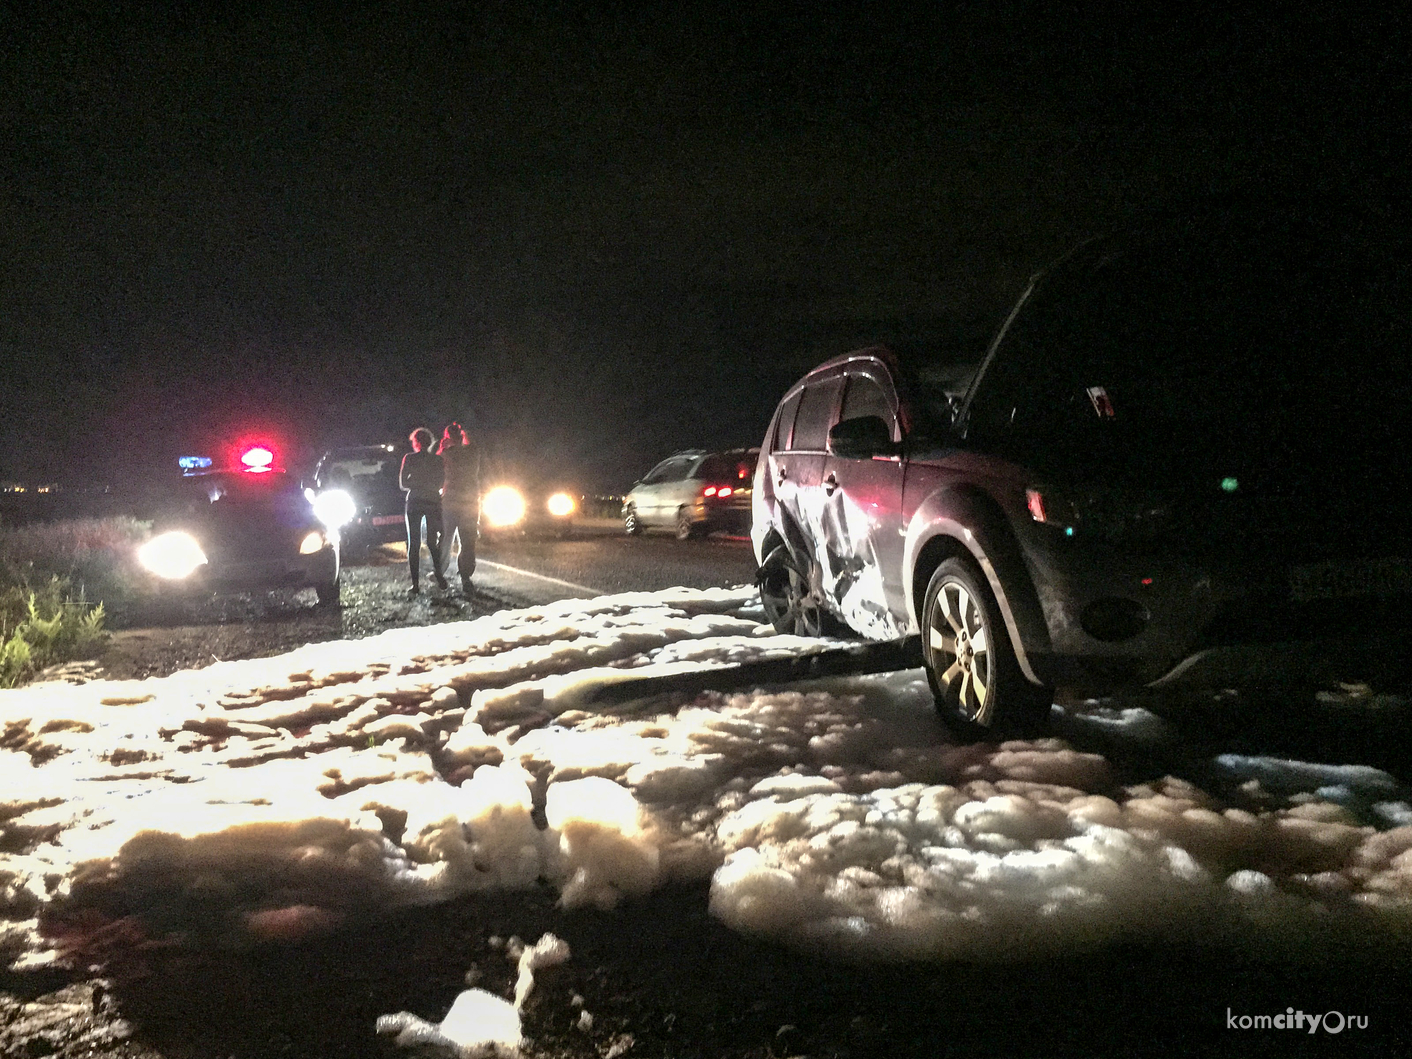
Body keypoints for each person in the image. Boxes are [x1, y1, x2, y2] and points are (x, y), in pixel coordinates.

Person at [399, 427, 448, 593]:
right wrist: (429, 485)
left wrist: (417, 483)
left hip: (414, 501)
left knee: (414, 543)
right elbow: (441, 483)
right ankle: (439, 574)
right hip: (433, 501)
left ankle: (415, 584)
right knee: (432, 542)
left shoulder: (409, 459)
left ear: (416, 442)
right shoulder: (437, 460)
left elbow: (403, 484)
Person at [438, 421, 480, 594]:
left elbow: (439, 469)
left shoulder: (445, 454)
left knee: (446, 539)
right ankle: (465, 576)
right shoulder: (473, 453)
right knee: (468, 540)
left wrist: (442, 446)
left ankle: (440, 572)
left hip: (450, 500)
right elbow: (472, 444)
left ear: (447, 437)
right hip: (470, 501)